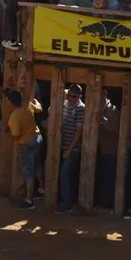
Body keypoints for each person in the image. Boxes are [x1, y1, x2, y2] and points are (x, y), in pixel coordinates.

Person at [7, 89, 45, 210]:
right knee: (37, 165)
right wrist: (35, 100)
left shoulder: (14, 117)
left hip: (27, 144)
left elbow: (16, 136)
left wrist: (10, 132)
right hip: (38, 139)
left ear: (11, 102)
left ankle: (29, 201)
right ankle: (41, 189)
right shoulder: (28, 104)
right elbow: (39, 108)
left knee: (28, 173)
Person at [57, 83, 85, 215]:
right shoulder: (64, 104)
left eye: (74, 96)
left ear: (79, 96)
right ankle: (67, 199)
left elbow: (79, 131)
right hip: (61, 145)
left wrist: (69, 149)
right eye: (70, 95)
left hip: (73, 148)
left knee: (65, 172)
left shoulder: (80, 108)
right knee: (66, 174)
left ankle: (66, 202)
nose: (71, 98)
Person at [96, 88, 120, 209]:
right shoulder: (94, 106)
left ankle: (109, 203)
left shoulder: (113, 109)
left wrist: (102, 119)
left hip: (110, 149)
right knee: (100, 175)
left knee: (109, 177)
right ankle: (100, 200)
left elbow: (114, 128)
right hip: (97, 149)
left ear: (105, 94)